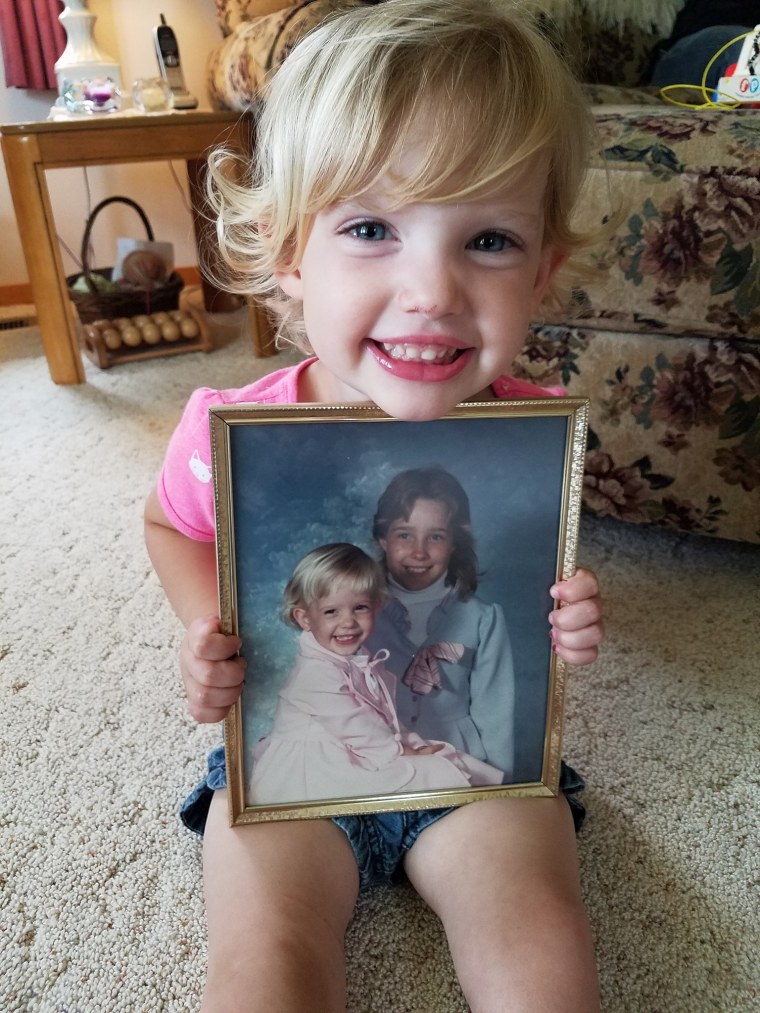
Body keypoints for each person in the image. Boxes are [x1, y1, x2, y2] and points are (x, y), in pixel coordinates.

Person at [143, 1, 605, 1009]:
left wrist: (567, 608)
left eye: (486, 238)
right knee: (266, 961)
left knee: (543, 956)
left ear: (543, 269)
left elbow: (525, 589)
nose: (430, 289)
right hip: (292, 765)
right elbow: (168, 523)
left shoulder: (530, 438)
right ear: (288, 252)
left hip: (471, 766)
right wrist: (200, 618)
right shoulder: (228, 431)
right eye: (369, 228)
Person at [250, 543, 502, 804]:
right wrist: (402, 751)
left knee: (446, 760)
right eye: (331, 611)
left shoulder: (357, 658)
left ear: (377, 606)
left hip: (358, 746)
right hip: (313, 768)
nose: (348, 622)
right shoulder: (314, 673)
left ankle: (494, 799)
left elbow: (384, 718)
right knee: (431, 772)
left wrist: (413, 743)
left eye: (359, 608)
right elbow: (356, 726)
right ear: (304, 619)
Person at [367, 467, 518, 779]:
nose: (419, 552)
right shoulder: (358, 613)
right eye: (404, 535)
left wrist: (499, 783)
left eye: (435, 536)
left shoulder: (483, 618)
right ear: (383, 539)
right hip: (382, 757)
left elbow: (495, 710)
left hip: (459, 758)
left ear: (454, 543)